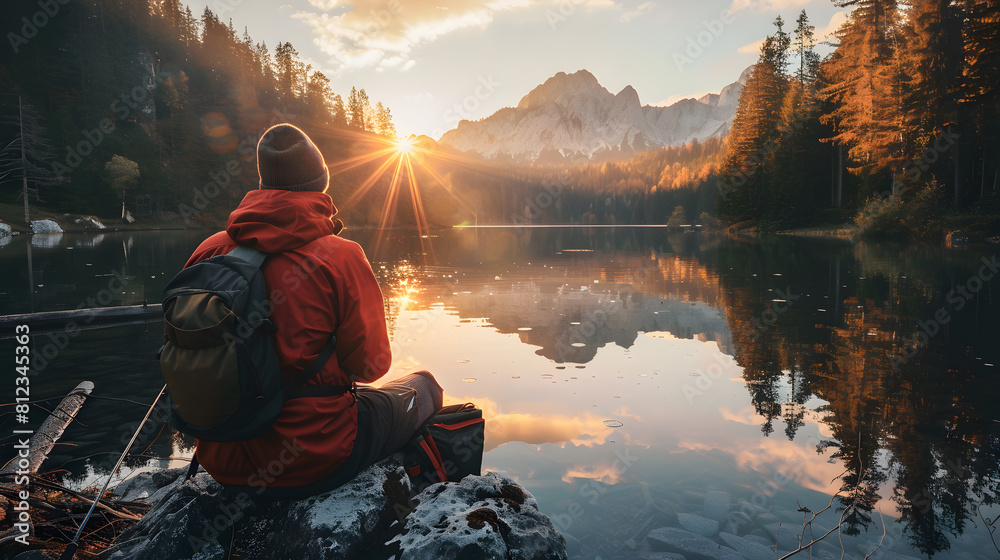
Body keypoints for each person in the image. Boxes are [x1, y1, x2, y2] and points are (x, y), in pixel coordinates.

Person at [184, 123, 443, 499]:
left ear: (262, 184)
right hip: (315, 459)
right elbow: (371, 368)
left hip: (222, 460)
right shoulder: (341, 255)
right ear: (321, 183)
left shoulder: (208, 251)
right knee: (425, 386)